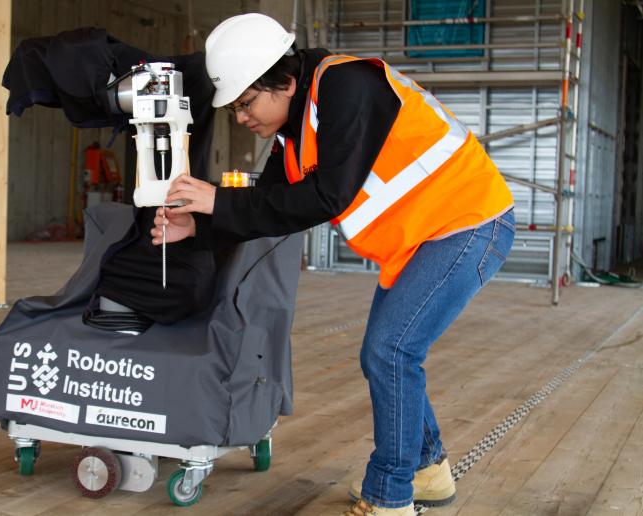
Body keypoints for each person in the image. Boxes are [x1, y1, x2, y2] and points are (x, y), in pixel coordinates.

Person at [151, 13, 515, 516]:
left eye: (246, 103)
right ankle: (426, 470)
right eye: (235, 108)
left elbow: (328, 195)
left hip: (468, 222)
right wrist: (197, 225)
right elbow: (274, 205)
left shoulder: (347, 86)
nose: (241, 118)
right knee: (387, 353)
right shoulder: (293, 130)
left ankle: (390, 497)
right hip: (423, 237)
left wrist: (215, 201)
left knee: (390, 350)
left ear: (283, 80)